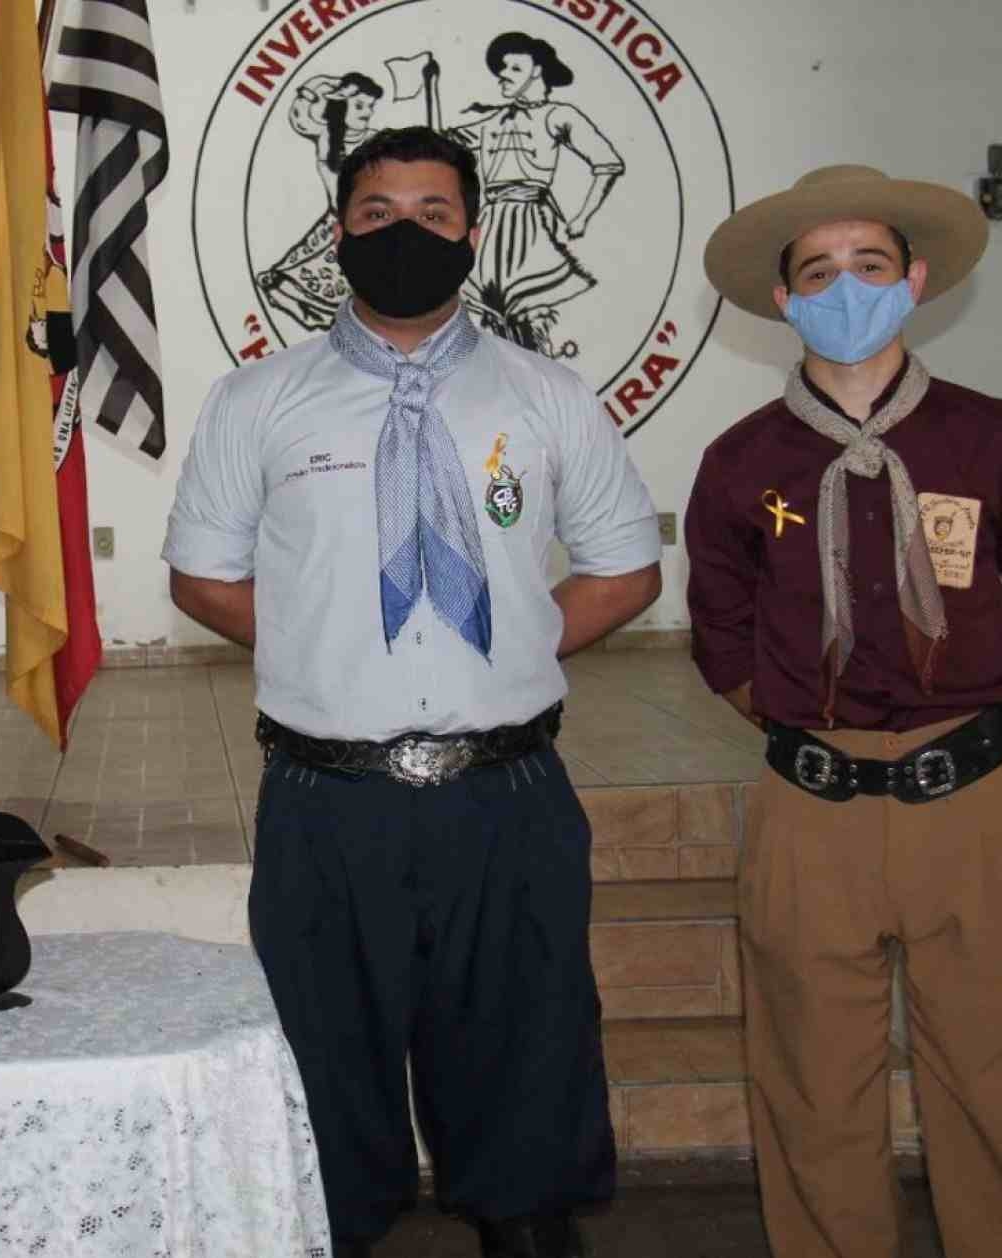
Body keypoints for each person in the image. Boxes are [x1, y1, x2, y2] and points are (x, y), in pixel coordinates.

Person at [165, 126, 662, 1258]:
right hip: (327, 805)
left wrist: (514, 645)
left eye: (433, 214)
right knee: (324, 1079)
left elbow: (625, 570)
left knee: (525, 1076)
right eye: (378, 213)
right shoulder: (257, 400)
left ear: (473, 233)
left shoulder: (547, 396)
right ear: (339, 230)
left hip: (508, 799)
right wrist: (327, 647)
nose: (406, 233)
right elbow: (202, 577)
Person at [688, 165, 1002, 1258]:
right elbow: (721, 635)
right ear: (785, 299)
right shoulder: (740, 462)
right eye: (818, 272)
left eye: (868, 264)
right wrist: (813, 730)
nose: (846, 288)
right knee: (813, 1085)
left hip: (970, 802)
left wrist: (974, 727)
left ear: (912, 282)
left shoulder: (991, 438)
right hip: (809, 810)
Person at [449, 33, 624, 355]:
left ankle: (539, 365)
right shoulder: (490, 120)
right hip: (489, 227)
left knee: (529, 307)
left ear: (537, 71)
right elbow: (444, 145)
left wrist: (582, 217)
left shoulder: (558, 115)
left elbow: (608, 163)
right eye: (503, 68)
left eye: (515, 68)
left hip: (531, 224)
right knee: (489, 311)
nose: (504, 75)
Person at [259, 71, 387, 331]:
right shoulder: (330, 140)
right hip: (342, 223)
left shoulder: (376, 139)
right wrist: (324, 91)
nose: (366, 112)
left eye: (370, 107)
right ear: (340, 104)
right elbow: (302, 114)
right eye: (359, 105)